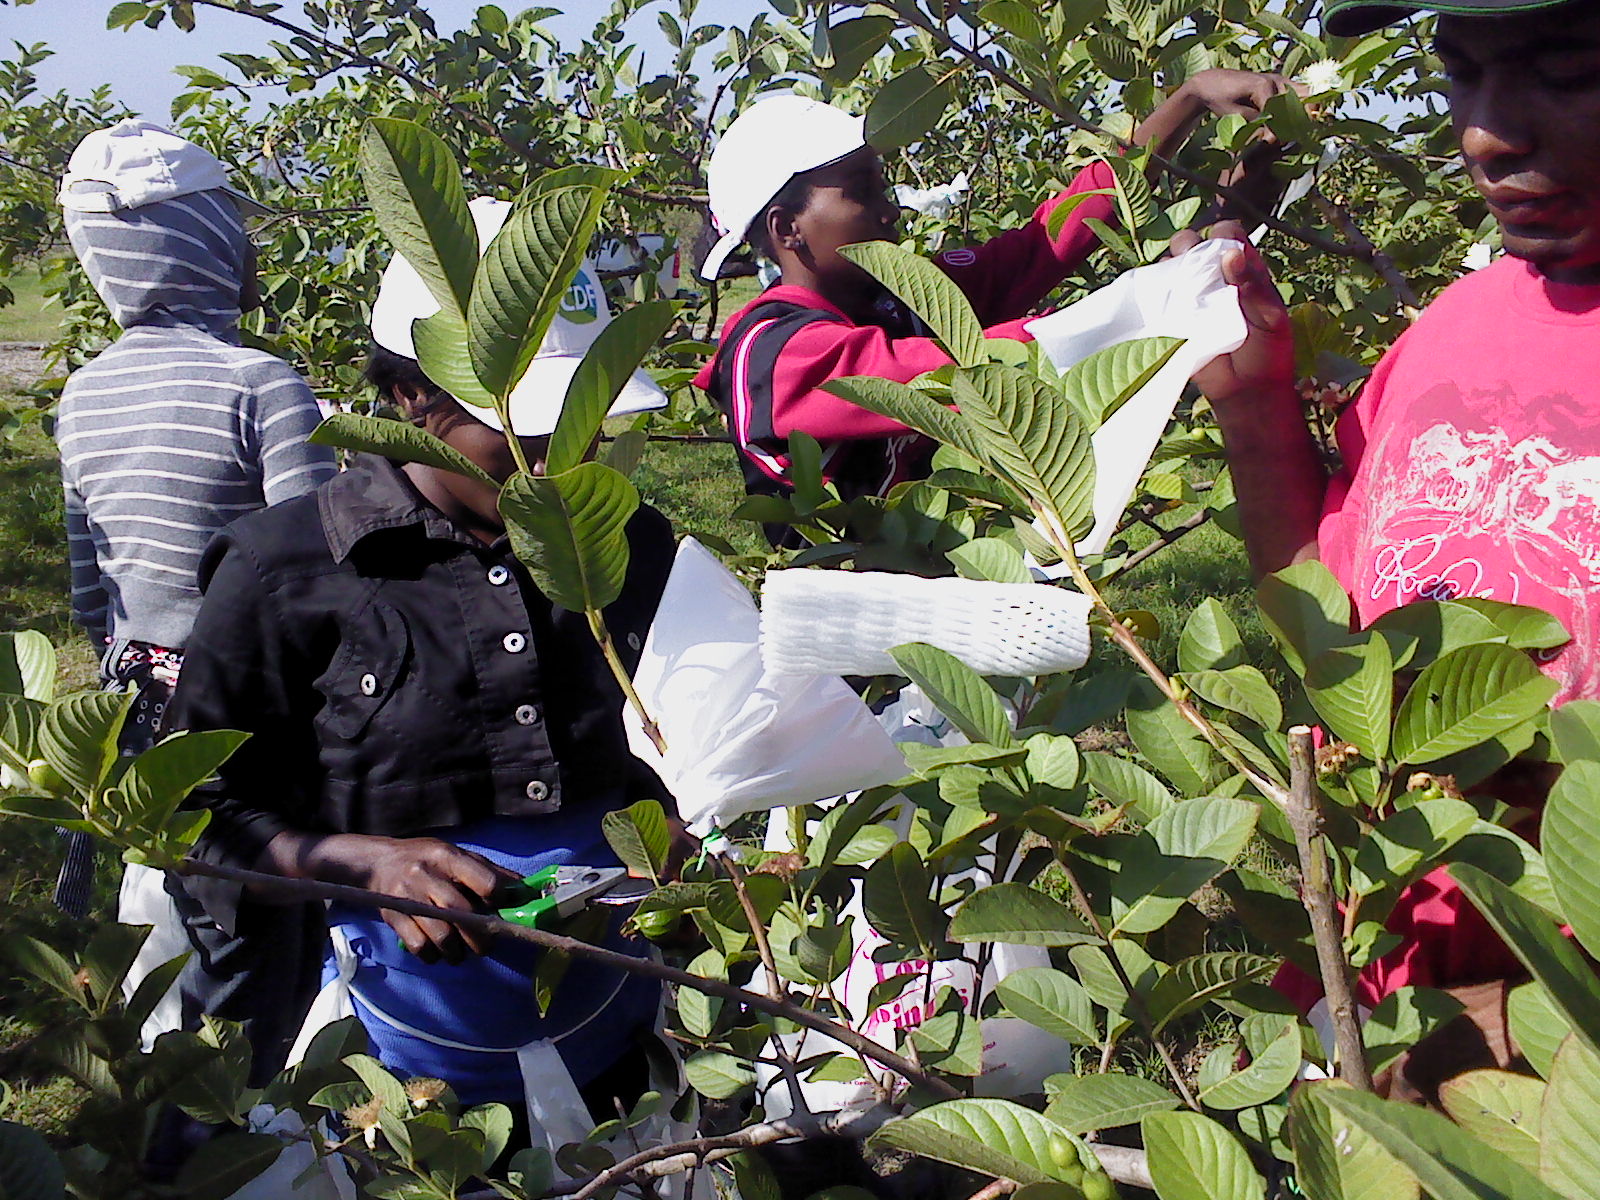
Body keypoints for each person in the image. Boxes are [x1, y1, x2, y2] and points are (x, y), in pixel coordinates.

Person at [163, 197, 678, 1148]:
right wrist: (367, 864)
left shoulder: (628, 541)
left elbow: (653, 734)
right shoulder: (286, 569)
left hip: (616, 1021)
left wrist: (672, 827)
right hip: (398, 1072)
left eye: (585, 420)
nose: (559, 459)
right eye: (521, 427)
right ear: (409, 398)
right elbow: (195, 816)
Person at [1176, 0, 1600, 1099]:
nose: (1486, 132)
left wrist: (1516, 1032)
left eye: (1565, 71)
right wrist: (1255, 411)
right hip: (1382, 1012)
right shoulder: (1453, 328)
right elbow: (1336, 628)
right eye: (1460, 73)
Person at [692, 78, 1292, 536]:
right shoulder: (772, 355)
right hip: (843, 634)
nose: (889, 209)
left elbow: (1041, 243)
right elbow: (982, 374)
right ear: (787, 228)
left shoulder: (893, 296)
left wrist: (1188, 100)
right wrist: (1171, 289)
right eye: (862, 191)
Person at [53, 121, 335, 931]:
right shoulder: (261, 385)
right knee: (267, 925)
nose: (251, 246)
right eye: (232, 222)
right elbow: (319, 579)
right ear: (197, 242)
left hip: (142, 718)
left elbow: (91, 592)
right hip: (257, 713)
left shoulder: (83, 392)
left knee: (176, 911)